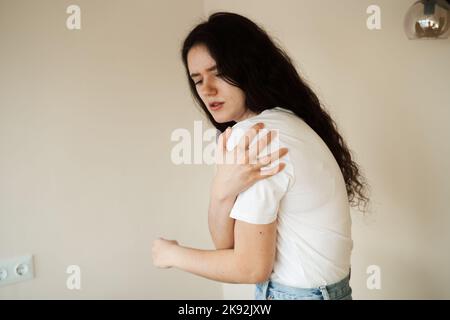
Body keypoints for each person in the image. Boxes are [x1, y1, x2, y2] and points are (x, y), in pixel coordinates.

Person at [152, 12, 370, 300]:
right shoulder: (284, 122)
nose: (207, 89)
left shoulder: (260, 136)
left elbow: (250, 267)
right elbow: (227, 245)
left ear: (248, 68)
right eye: (197, 79)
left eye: (218, 73)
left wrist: (171, 254)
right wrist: (221, 192)